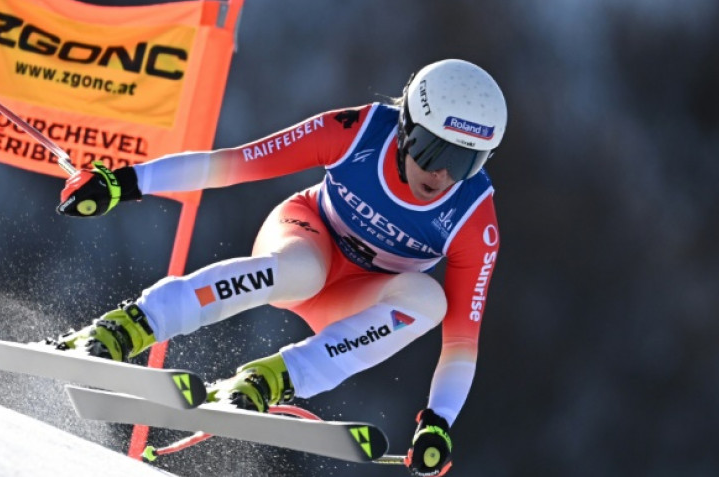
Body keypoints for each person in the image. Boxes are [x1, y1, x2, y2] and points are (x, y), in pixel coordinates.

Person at [51, 59, 506, 476]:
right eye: (432, 151)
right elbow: (235, 164)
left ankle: (271, 380)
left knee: (430, 301)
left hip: (361, 295)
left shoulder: (472, 218)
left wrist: (439, 420)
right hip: (309, 235)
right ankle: (131, 325)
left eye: (465, 161)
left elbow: (463, 341)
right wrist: (125, 182)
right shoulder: (358, 132)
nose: (442, 175)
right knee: (299, 271)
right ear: (407, 127)